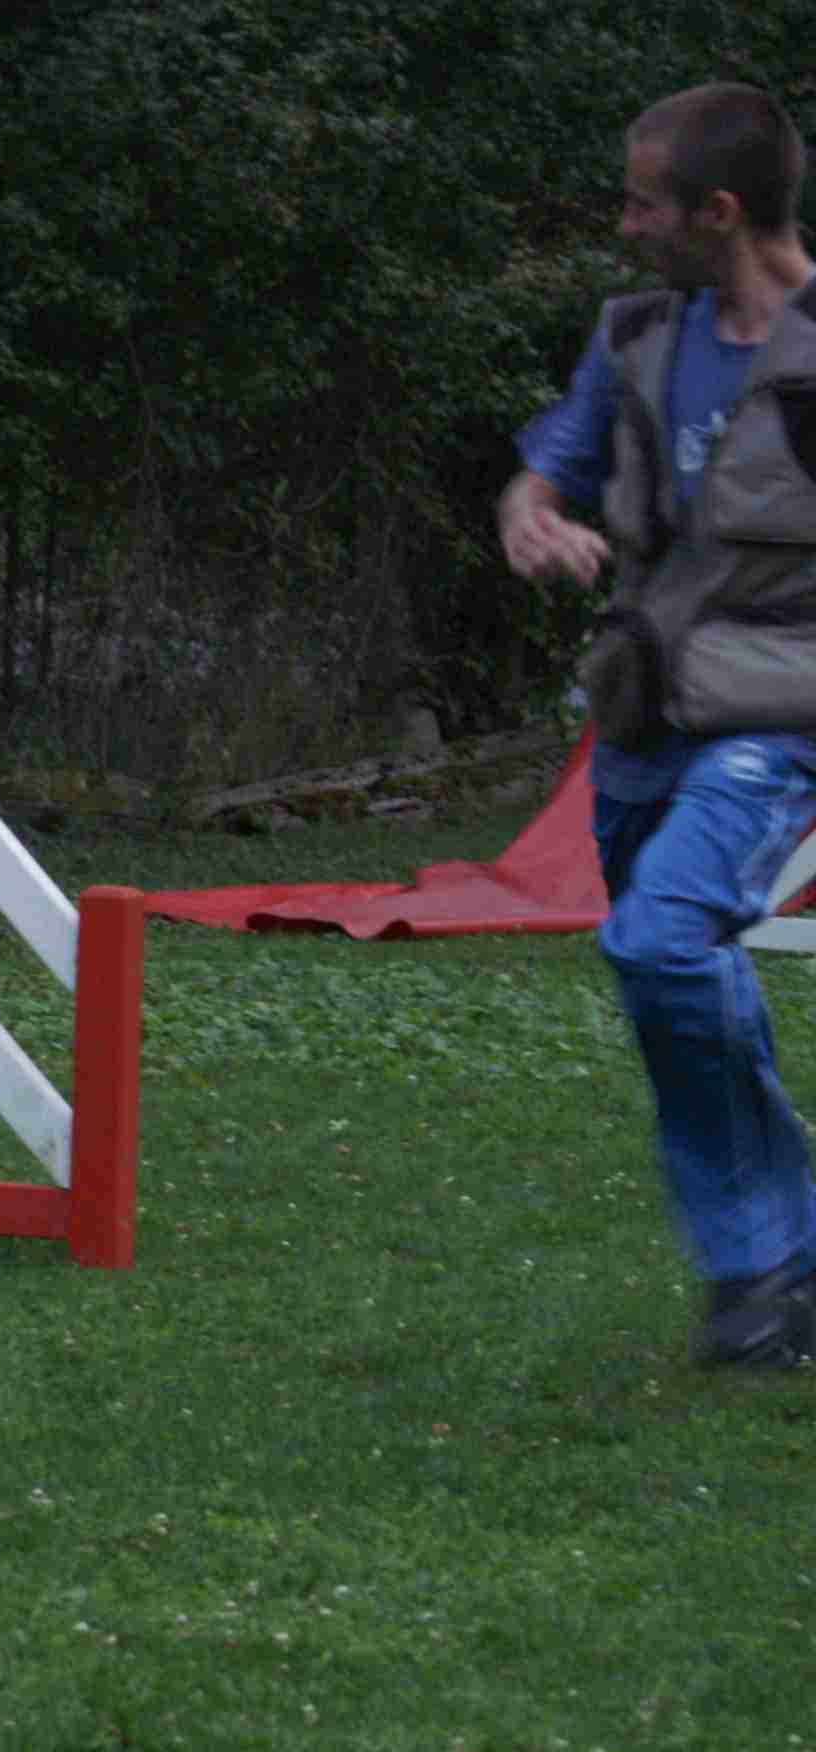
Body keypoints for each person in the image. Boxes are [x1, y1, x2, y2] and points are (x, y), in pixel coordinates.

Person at [501, 80, 816, 1369]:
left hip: (777, 714)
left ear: (718, 211)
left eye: (643, 205)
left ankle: (760, 1266)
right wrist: (531, 519)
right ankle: (785, 1258)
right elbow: (546, 474)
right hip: (641, 711)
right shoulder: (633, 334)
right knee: (675, 969)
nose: (625, 226)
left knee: (662, 938)